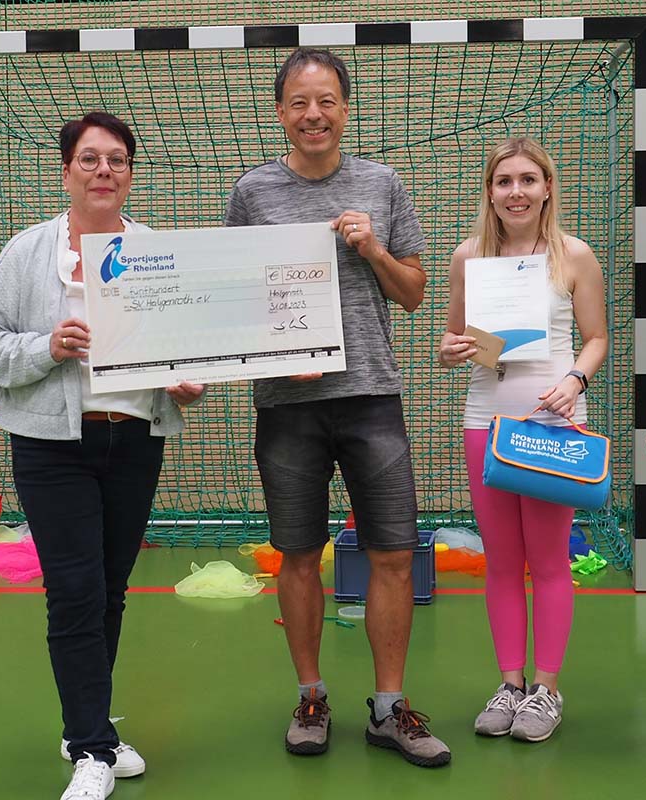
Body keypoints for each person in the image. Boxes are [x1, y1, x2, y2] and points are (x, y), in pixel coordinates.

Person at [0, 112, 205, 800]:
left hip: (133, 441)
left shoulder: (156, 251)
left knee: (109, 590)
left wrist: (184, 381)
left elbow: (182, 350)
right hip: (51, 447)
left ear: (130, 173)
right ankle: (93, 752)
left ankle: (87, 726)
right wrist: (47, 346)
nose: (105, 171)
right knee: (73, 591)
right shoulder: (29, 252)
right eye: (90, 159)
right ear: (65, 171)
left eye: (118, 160)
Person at [223, 48, 450, 768]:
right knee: (296, 554)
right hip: (288, 406)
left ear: (345, 109)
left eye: (326, 101)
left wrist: (373, 248)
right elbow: (232, 297)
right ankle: (311, 695)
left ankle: (389, 709)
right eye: (298, 102)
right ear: (281, 112)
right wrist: (263, 346)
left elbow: (413, 293)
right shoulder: (252, 192)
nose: (312, 114)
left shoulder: (382, 184)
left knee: (391, 552)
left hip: (371, 398)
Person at [437, 137, 608, 743]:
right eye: (504, 181)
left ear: (547, 188)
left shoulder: (575, 256)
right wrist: (452, 350)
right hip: (485, 425)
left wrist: (574, 380)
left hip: (553, 426)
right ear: (490, 191)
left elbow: (596, 338)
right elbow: (452, 343)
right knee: (503, 563)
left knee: (550, 560)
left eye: (528, 180)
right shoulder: (468, 259)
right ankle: (509, 685)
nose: (516, 191)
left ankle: (546, 691)